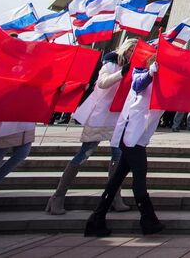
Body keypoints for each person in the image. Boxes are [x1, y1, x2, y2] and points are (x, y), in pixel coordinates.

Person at [46, 39, 136, 215]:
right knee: (84, 153)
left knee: (117, 158)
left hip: (118, 116)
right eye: (131, 49)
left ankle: (114, 197)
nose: (132, 53)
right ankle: (58, 196)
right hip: (100, 114)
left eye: (135, 51)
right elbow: (102, 83)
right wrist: (121, 73)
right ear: (125, 49)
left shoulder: (134, 67)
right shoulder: (111, 62)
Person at [85, 56, 165, 237]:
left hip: (139, 137)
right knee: (139, 176)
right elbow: (137, 85)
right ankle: (148, 219)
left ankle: (97, 218)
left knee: (116, 179)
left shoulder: (163, 83)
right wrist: (151, 72)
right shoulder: (140, 73)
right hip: (130, 136)